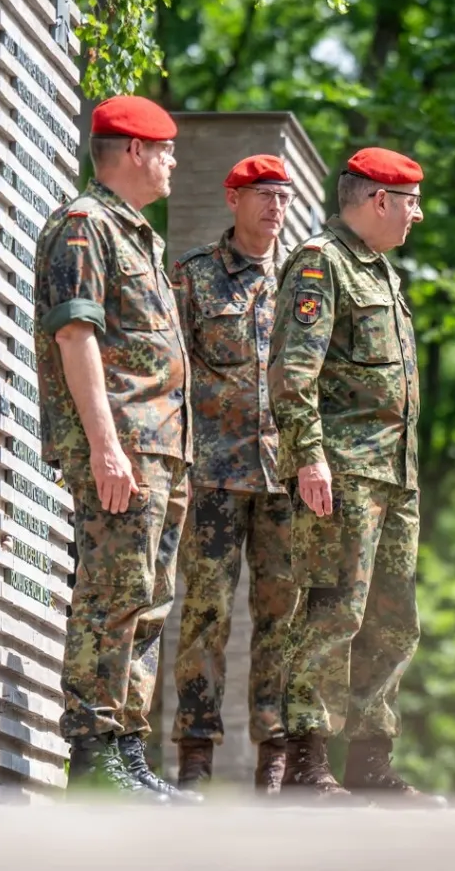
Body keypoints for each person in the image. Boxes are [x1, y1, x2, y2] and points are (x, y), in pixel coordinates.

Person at [269, 146, 443, 806]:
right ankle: (309, 762)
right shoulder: (322, 262)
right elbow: (292, 372)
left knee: (394, 618)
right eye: (410, 202)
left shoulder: (383, 272)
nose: (417, 215)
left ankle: (372, 760)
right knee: (332, 610)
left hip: (395, 476)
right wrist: (308, 456)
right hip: (343, 471)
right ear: (378, 200)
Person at [34, 95, 196, 802]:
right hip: (123, 444)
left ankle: (127, 752)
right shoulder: (83, 227)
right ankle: (94, 757)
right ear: (132, 150)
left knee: (149, 602)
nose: (172, 162)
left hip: (162, 448)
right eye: (164, 149)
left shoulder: (139, 236)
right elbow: (77, 338)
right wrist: (105, 448)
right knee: (112, 596)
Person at [169, 155, 300, 795]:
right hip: (212, 476)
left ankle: (273, 760)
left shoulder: (306, 281)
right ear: (233, 199)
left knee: (281, 618)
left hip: (286, 478)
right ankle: (195, 758)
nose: (275, 207)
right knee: (204, 615)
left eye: (283, 196)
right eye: (263, 195)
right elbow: (171, 376)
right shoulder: (193, 278)